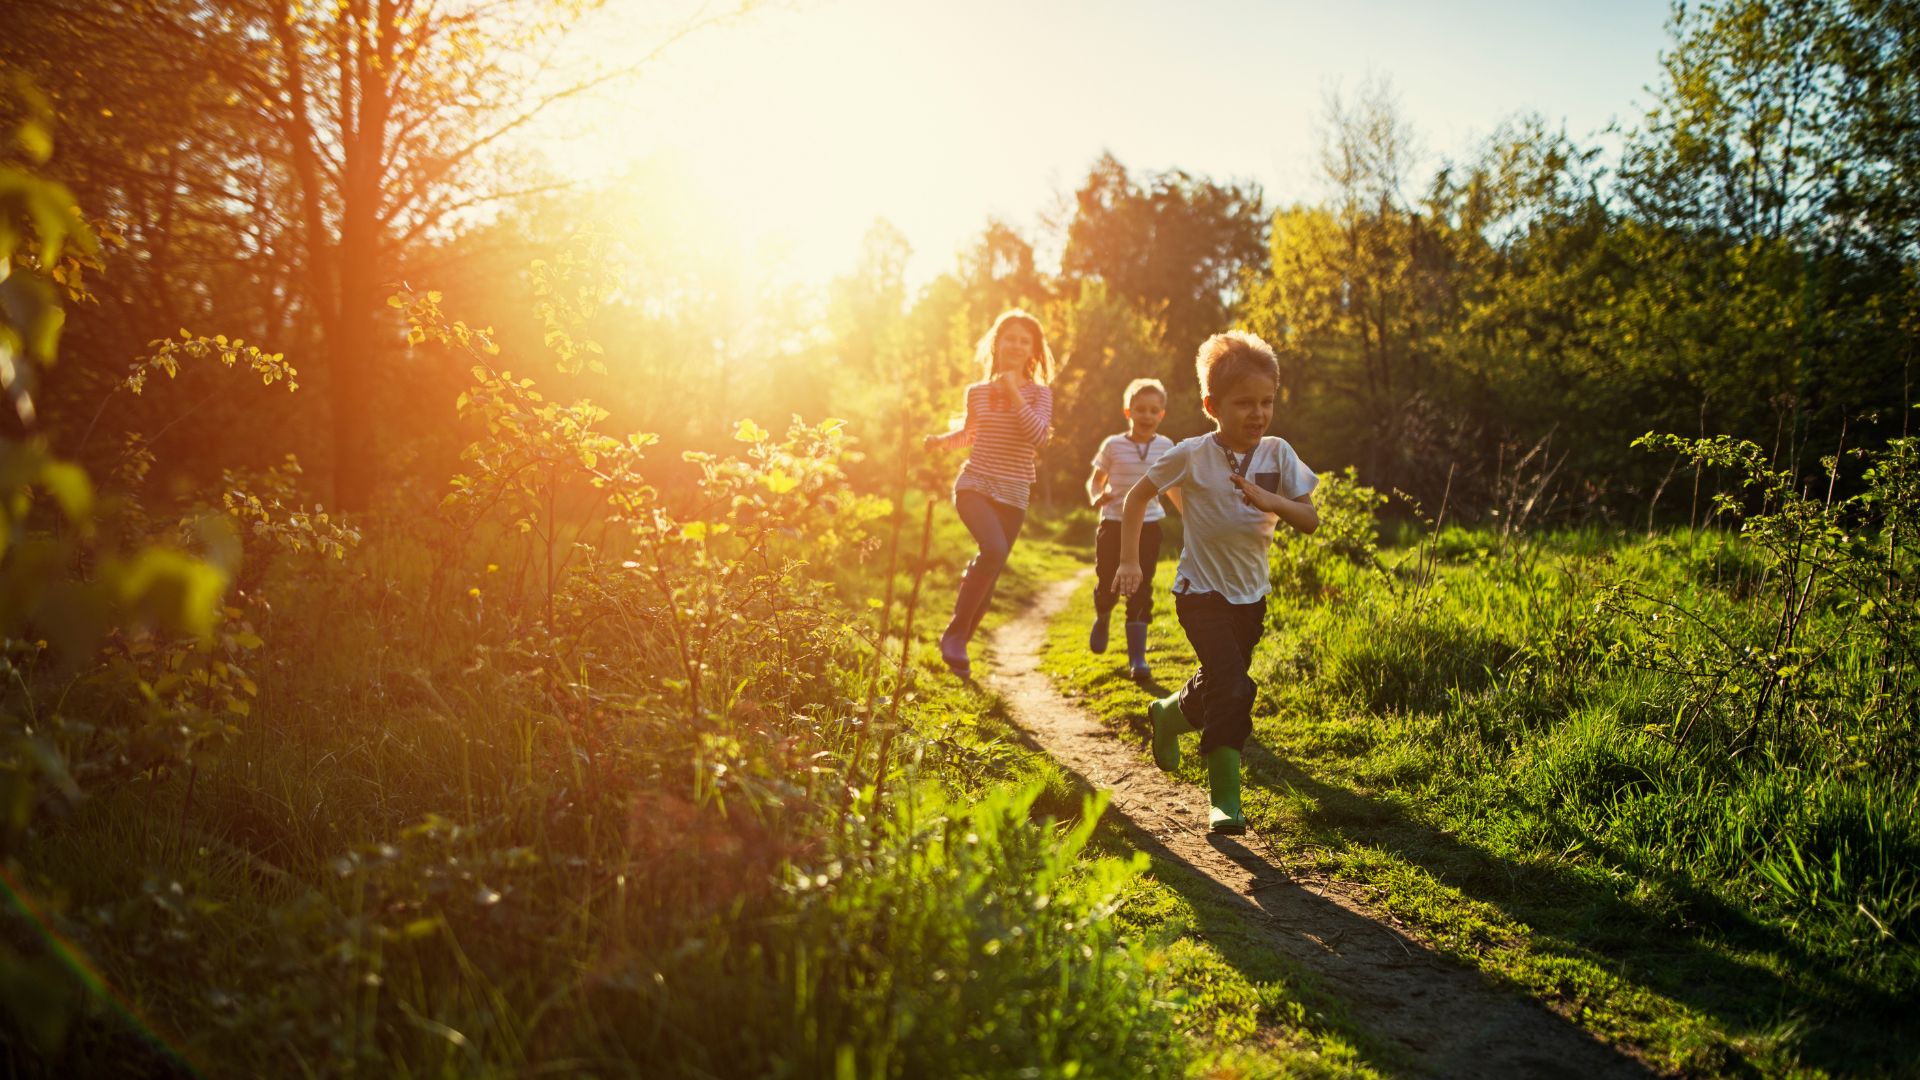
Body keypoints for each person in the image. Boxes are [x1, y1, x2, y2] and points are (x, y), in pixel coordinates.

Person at [1111, 331, 1318, 834]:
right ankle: (1225, 800)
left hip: (1252, 598)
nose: (1257, 413)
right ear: (1212, 405)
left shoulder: (1278, 454)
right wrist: (1130, 562)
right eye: (1244, 402)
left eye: (1266, 402)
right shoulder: (1191, 453)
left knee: (1221, 684)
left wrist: (1275, 503)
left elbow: (1310, 519)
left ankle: (1168, 715)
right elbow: (1137, 498)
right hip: (1199, 592)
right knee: (1233, 685)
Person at [923, 310, 1055, 680]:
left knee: (990, 571)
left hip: (1014, 493)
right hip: (975, 484)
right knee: (994, 551)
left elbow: (1039, 437)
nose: (1016, 345)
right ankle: (955, 635)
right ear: (997, 343)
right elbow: (971, 434)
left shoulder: (1040, 394)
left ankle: (959, 644)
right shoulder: (977, 392)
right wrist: (940, 443)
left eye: (1024, 340)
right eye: (1010, 337)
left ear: (1033, 350)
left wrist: (1014, 393)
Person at [1085, 378, 1174, 682]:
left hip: (1149, 526)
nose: (1147, 415)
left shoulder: (1167, 446)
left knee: (1141, 586)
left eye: (1153, 410)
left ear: (1161, 414)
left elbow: (1175, 485)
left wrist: (1193, 514)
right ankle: (1103, 613)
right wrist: (1096, 496)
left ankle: (1137, 658)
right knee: (1109, 580)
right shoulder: (1112, 445)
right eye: (1140, 410)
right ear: (1128, 412)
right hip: (1113, 523)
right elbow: (1096, 479)